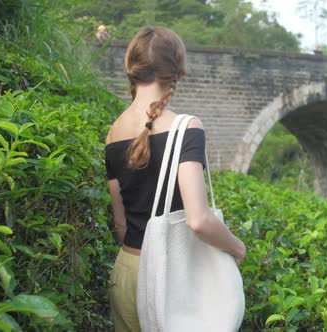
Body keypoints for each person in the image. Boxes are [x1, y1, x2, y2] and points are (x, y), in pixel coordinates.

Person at [104, 26, 246, 332]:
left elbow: (121, 224)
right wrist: (237, 247)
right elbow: (198, 221)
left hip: (126, 271)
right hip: (170, 278)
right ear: (176, 72)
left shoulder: (113, 132)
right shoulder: (187, 127)